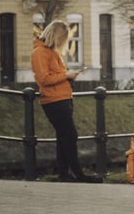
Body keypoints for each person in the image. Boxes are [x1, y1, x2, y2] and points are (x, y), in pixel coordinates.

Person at [31, 20, 102, 183]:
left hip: (63, 99)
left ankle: (64, 174)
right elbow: (44, 79)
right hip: (53, 101)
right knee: (70, 136)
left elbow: (55, 75)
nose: (64, 43)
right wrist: (66, 75)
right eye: (63, 39)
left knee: (64, 137)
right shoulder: (39, 53)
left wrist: (68, 75)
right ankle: (78, 174)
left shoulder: (52, 52)